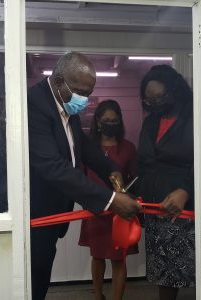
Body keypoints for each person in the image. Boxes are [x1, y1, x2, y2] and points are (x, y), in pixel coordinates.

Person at [27, 52, 141, 300]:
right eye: (79, 91)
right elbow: (54, 167)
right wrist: (111, 200)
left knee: (41, 274)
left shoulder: (66, 106)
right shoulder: (34, 105)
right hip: (32, 213)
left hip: (50, 215)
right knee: (31, 280)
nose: (83, 99)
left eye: (88, 93)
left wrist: (111, 170)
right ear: (58, 81)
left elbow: (85, 149)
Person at [135, 65, 195, 300]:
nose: (156, 103)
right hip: (153, 209)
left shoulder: (194, 119)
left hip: (183, 210)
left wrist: (186, 190)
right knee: (163, 273)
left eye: (160, 96)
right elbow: (143, 163)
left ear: (175, 90)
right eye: (150, 100)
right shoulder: (150, 122)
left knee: (189, 269)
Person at [78, 99, 138, 300]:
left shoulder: (128, 148)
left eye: (114, 120)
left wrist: (126, 194)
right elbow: (81, 176)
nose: (110, 123)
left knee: (118, 259)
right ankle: (98, 295)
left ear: (119, 121)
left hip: (118, 213)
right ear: (97, 121)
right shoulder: (88, 147)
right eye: (106, 120)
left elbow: (134, 178)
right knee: (97, 256)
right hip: (95, 210)